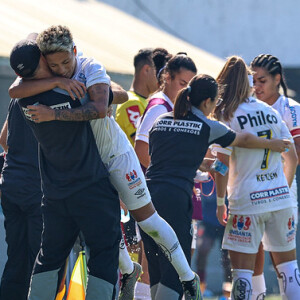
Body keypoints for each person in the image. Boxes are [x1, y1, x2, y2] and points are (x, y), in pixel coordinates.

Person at [10, 25, 203, 300]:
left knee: (147, 221)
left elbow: (102, 108)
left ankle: (187, 278)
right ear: (45, 63)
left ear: (75, 51)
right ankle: (127, 272)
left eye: (66, 62)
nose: (62, 69)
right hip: (89, 163)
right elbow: (15, 88)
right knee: (97, 225)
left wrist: (56, 112)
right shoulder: (51, 76)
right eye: (55, 65)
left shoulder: (90, 67)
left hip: (115, 156)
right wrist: (57, 82)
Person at [141, 73, 290, 300]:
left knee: (157, 268)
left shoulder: (161, 121)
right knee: (175, 273)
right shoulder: (207, 125)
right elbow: (244, 140)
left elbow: (166, 158)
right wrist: (273, 144)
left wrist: (204, 165)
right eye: (216, 102)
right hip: (175, 201)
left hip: (147, 201)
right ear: (208, 102)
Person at [10, 36, 121, 300]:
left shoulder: (24, 101)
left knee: (48, 259)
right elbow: (107, 102)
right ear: (42, 60)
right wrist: (87, 82)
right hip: (92, 188)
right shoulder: (73, 92)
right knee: (104, 255)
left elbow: (15, 89)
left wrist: (57, 80)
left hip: (55, 194)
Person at [213, 56, 300, 300]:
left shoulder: (227, 114)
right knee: (289, 271)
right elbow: (291, 158)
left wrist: (221, 202)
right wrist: (282, 189)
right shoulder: (271, 112)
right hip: (281, 199)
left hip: (247, 202)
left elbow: (221, 165)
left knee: (242, 274)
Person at [250, 54, 300, 299]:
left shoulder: (291, 108)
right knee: (251, 256)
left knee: (285, 262)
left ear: (277, 79)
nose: (256, 86)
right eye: (253, 81)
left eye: (262, 81)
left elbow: (297, 153)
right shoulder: (245, 107)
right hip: (250, 189)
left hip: (283, 189)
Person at [0, 40, 47, 299]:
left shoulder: (18, 94)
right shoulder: (50, 93)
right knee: (37, 265)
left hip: (11, 186)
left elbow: (4, 139)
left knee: (15, 260)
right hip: (34, 189)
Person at [135, 53, 197, 170]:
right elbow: (141, 150)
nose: (186, 91)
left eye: (189, 87)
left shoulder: (170, 106)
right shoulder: (160, 108)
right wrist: (166, 175)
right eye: (182, 84)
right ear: (168, 77)